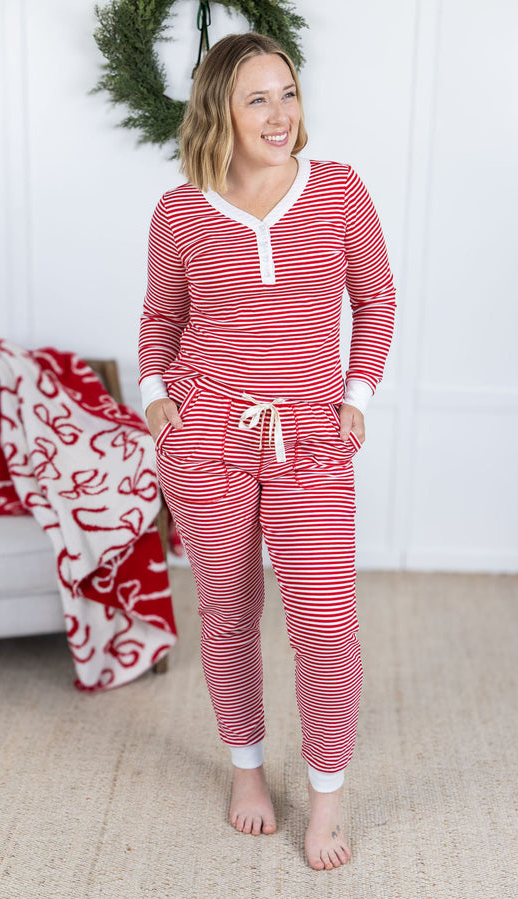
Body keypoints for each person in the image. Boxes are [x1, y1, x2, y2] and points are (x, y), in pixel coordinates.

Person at [138, 32, 396, 871]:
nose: (280, 113)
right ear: (220, 108)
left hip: (312, 437)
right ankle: (248, 773)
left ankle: (326, 795)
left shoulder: (340, 192)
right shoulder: (180, 211)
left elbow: (377, 298)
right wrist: (156, 400)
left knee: (326, 624)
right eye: (258, 98)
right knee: (229, 614)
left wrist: (355, 397)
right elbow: (160, 320)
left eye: (287, 92)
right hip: (204, 436)